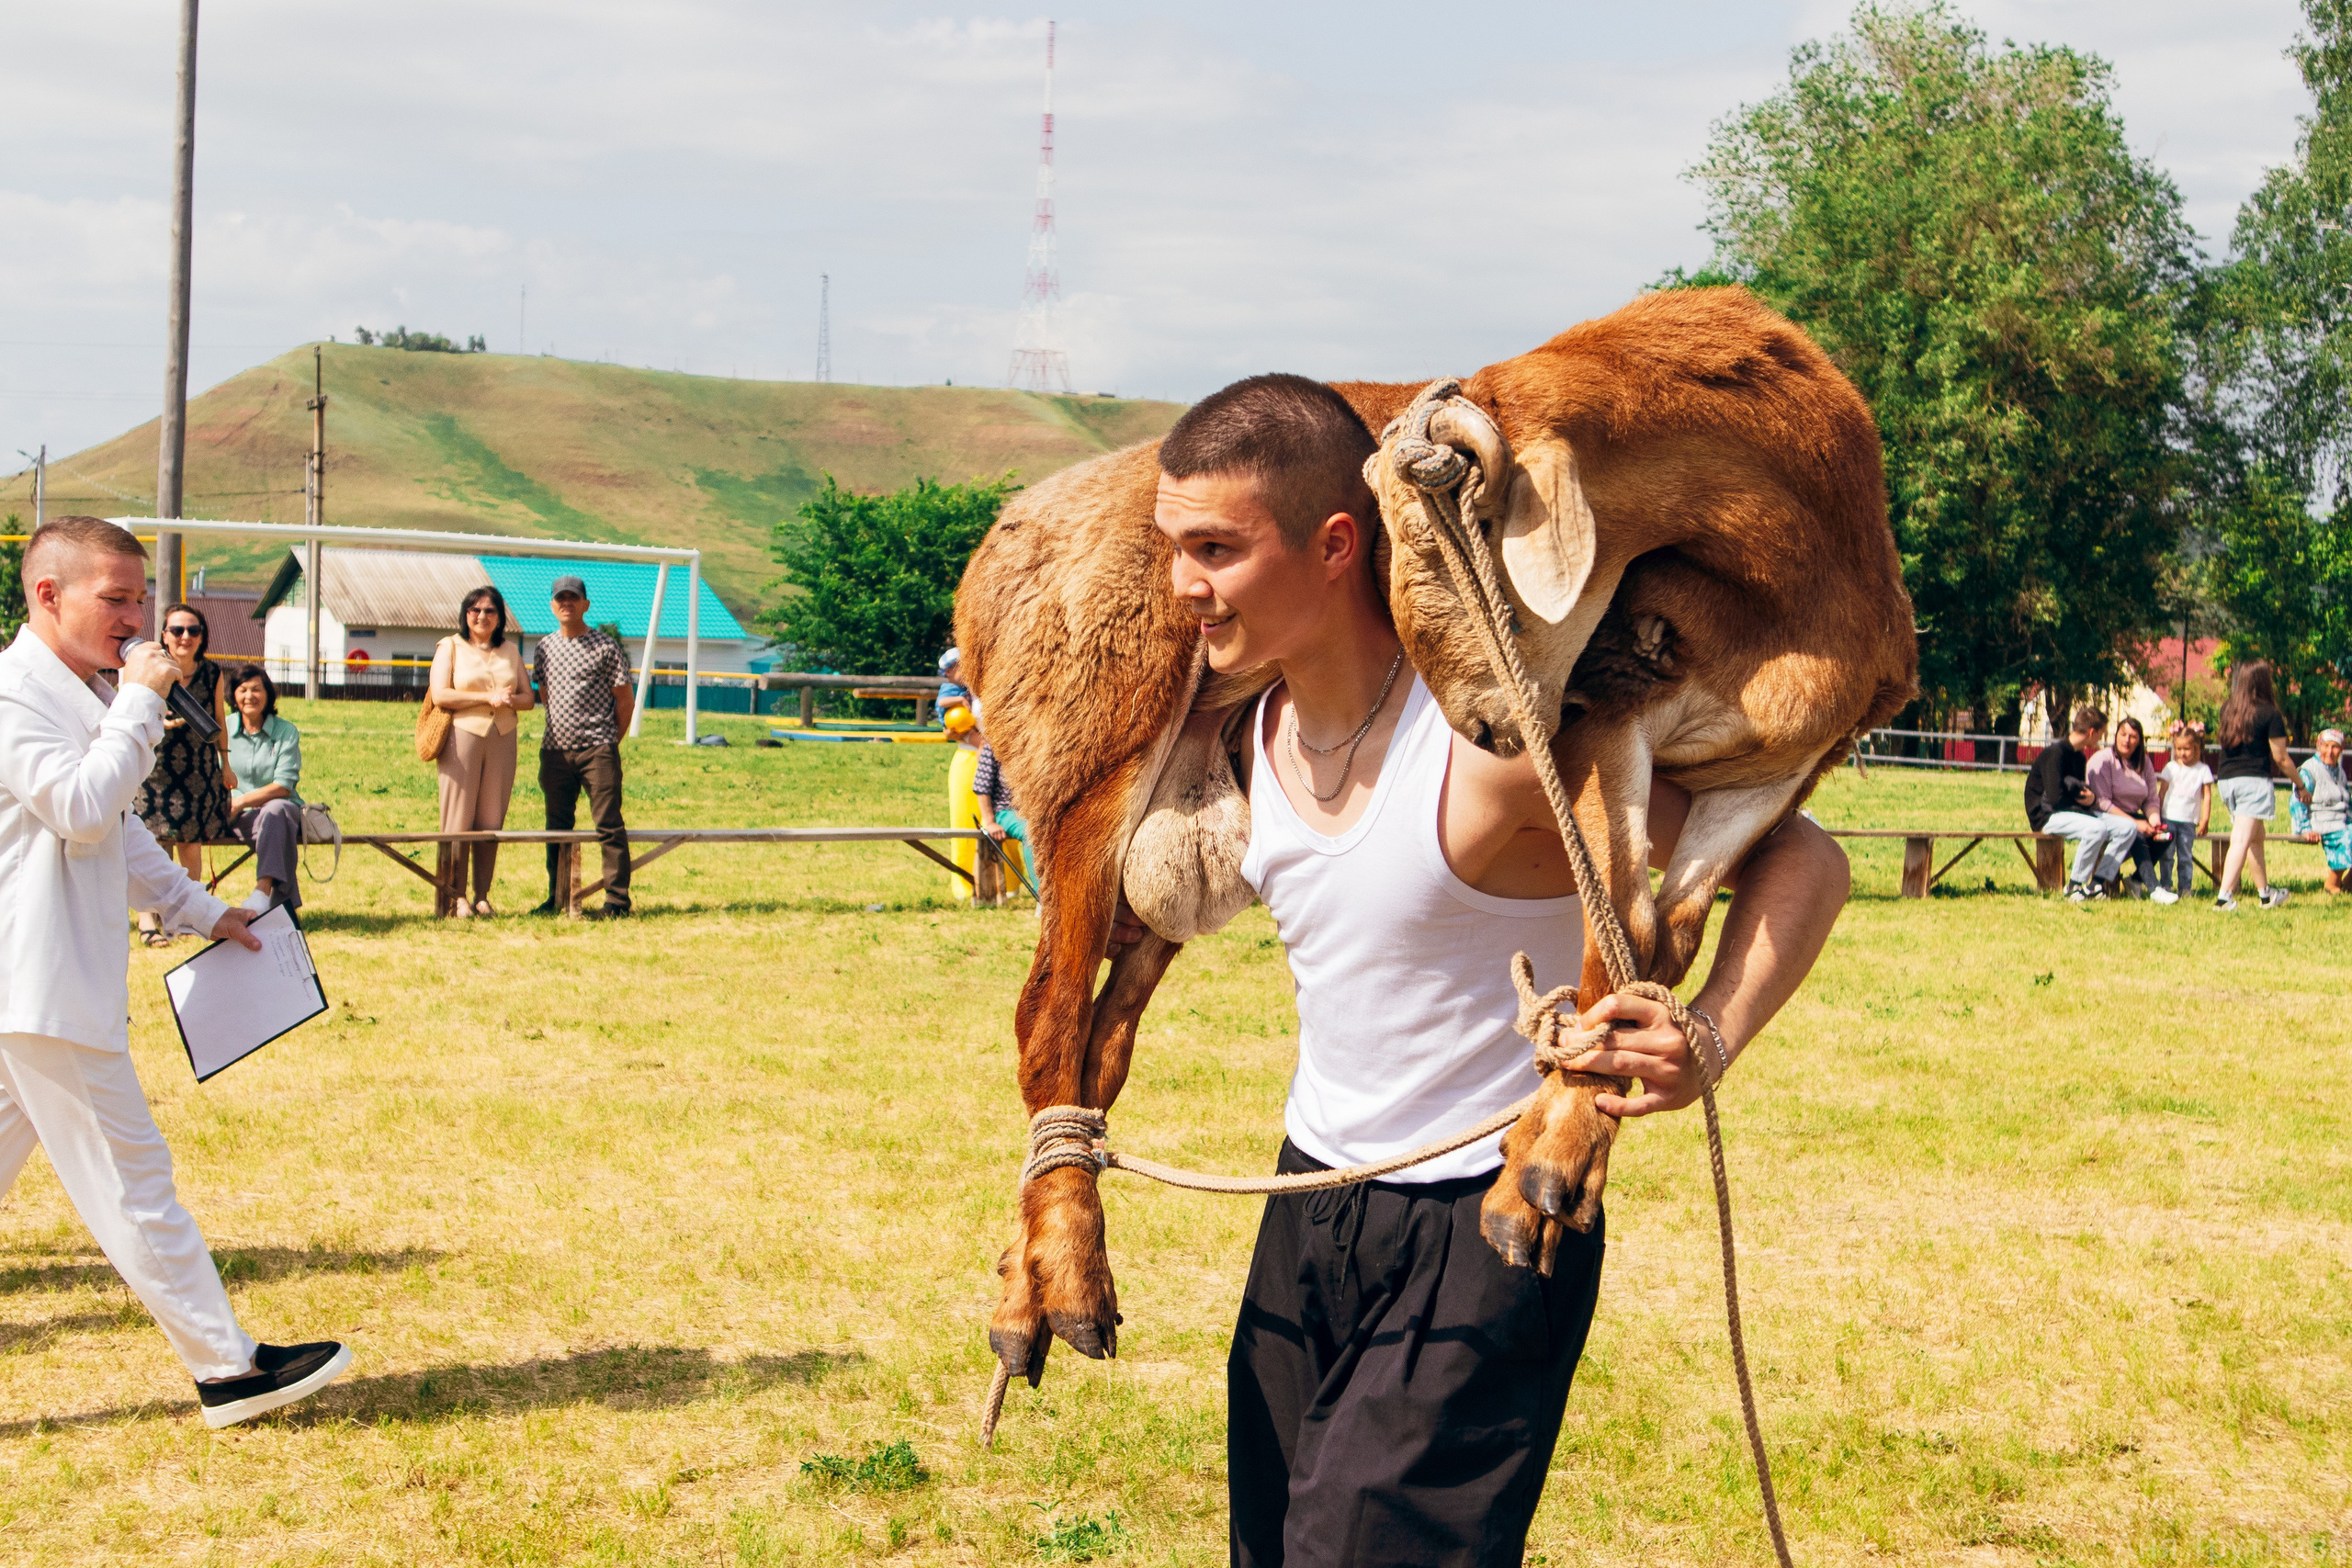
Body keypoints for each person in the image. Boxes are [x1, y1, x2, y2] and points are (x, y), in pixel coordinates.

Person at [1127, 376, 1849, 1567]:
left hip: (1484, 1222)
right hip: (1307, 1204)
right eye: (1173, 548)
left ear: (1335, 546)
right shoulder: (1247, 740)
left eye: (1215, 549)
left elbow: (1804, 858)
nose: (1182, 585)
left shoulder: (1496, 751)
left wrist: (1711, 1032)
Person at [0, 515, 351, 1426]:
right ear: (48, 595)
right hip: (42, 988)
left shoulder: (79, 692)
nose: (136, 620)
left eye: (140, 599)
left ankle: (226, 1364)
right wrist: (136, 706)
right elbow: (84, 808)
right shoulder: (15, 696)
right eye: (115, 599)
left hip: (31, 992)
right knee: (134, 1180)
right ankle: (227, 1369)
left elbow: (119, 836)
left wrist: (203, 910)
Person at [530, 575, 634, 919]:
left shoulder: (605, 647)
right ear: (552, 605)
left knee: (608, 825)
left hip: (597, 751)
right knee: (557, 828)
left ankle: (617, 902)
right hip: (555, 751)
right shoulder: (543, 648)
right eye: (561, 598)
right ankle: (558, 897)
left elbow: (625, 701)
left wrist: (608, 742)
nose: (567, 603)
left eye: (573, 597)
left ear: (585, 604)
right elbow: (546, 696)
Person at [130, 602, 233, 947]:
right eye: (177, 630)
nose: (185, 636)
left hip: (198, 770)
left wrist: (226, 764)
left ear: (202, 637)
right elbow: (129, 708)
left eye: (193, 630)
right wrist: (160, 723)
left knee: (190, 842)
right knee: (154, 842)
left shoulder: (212, 673)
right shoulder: (150, 668)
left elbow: (219, 721)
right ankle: (148, 918)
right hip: (154, 769)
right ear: (164, 635)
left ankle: (188, 914)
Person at [429, 586, 532, 917]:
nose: (482, 616)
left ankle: (482, 895)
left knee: (491, 819)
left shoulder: (511, 651)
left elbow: (528, 698)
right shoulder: (450, 646)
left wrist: (510, 700)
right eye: (475, 610)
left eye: (490, 610)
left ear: (500, 617)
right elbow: (440, 694)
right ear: (465, 614)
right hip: (462, 737)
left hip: (503, 736)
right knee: (458, 818)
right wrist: (486, 698)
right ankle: (455, 895)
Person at [2023, 705, 2140, 902]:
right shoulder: (2055, 754)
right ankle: (2074, 886)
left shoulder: (2079, 757)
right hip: (2046, 816)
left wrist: (2090, 799)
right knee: (2096, 828)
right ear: (2092, 732)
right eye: (2101, 734)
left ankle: (2096, 884)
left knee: (2127, 827)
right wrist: (2084, 805)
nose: (2101, 739)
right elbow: (2056, 799)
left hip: (2071, 812)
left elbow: (2077, 793)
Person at [223, 664, 308, 915]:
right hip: (235, 817)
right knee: (277, 829)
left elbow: (283, 785)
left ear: (268, 695)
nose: (250, 696)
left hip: (280, 812)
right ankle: (281, 908)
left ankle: (263, 891)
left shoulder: (286, 731)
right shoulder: (222, 729)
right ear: (234, 696)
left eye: (256, 689)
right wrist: (230, 804)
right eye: (243, 690)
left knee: (276, 812)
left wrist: (241, 801)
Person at [2213, 660, 2293, 911]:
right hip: (2253, 782)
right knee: (2241, 838)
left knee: (2256, 838)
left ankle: (2265, 895)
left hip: (2227, 781)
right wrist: (2300, 784)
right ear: (2264, 680)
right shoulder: (2270, 713)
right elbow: (2281, 757)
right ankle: (2223, 898)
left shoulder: (2228, 709)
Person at [2086, 716, 2171, 901]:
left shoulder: (2144, 762)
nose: (2127, 740)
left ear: (2139, 740)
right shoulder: (2103, 760)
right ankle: (2154, 889)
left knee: (2167, 833)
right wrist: (2136, 823)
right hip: (2105, 816)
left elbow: (2151, 799)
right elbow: (2102, 803)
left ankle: (2135, 880)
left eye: (2133, 736)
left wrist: (2154, 822)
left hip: (2134, 816)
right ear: (2116, 735)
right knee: (2134, 831)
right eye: (2123, 734)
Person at [2156, 723, 2214, 900]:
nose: (2182, 753)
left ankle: (2185, 888)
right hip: (2168, 818)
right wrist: (2157, 815)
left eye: (2187, 749)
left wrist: (2205, 819)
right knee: (2166, 855)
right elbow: (2162, 793)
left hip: (2188, 821)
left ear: (2196, 748)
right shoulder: (2170, 768)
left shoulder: (2203, 770)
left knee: (2185, 857)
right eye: (2179, 749)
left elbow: (2207, 796)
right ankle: (2165, 885)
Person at [2290, 726, 2348, 896]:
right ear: (2319, 746)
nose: (2329, 752)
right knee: (2350, 836)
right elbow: (2296, 802)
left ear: (2342, 749)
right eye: (2326, 746)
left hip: (2340, 822)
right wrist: (2305, 829)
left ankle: (2348, 884)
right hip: (2320, 823)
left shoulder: (2340, 772)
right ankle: (2332, 884)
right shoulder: (2309, 770)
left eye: (2335, 747)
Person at [944, 703, 985, 899]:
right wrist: (964, 736)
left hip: (1000, 758)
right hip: (967, 759)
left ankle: (1008, 882)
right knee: (964, 821)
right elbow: (948, 728)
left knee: (999, 820)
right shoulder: (961, 694)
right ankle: (964, 881)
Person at [936, 647, 971, 719]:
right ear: (948, 672)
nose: (968, 673)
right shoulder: (949, 687)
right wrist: (960, 699)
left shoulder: (963, 688)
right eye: (964, 670)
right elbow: (942, 702)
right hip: (951, 721)